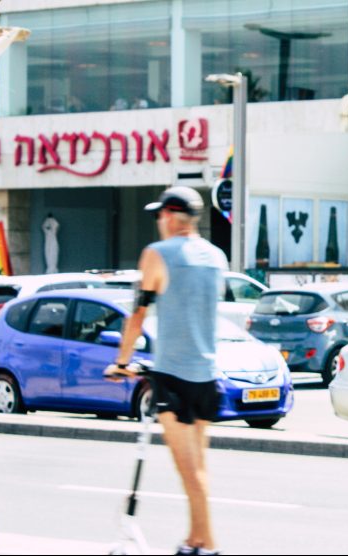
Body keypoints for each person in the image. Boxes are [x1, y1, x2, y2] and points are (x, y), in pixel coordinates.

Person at [105, 186, 227, 556]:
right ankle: (194, 539)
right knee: (198, 467)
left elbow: (139, 313)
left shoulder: (157, 254)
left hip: (173, 377)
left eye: (160, 215)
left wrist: (122, 363)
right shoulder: (216, 256)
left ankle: (210, 547)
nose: (158, 221)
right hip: (207, 375)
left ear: (172, 217)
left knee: (189, 472)